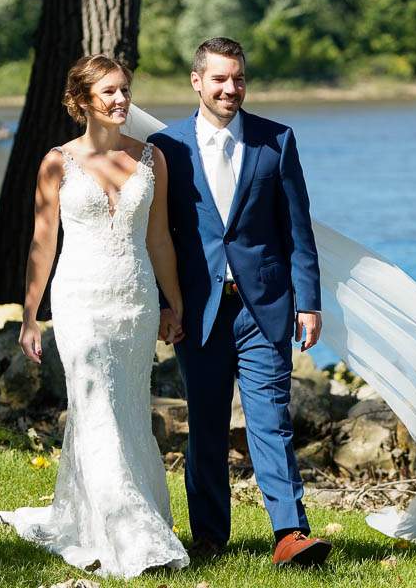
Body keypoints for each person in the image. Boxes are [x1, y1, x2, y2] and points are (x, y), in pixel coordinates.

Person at [0, 55, 190, 579]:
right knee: (95, 407)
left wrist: (174, 303)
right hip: (79, 299)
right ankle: (133, 535)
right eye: (109, 92)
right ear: (82, 102)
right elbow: (43, 241)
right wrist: (30, 315)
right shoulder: (57, 162)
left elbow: (158, 238)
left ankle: (105, 519)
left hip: (135, 301)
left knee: (124, 410)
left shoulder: (152, 159)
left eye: (125, 90)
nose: (122, 100)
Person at [150, 36, 332, 567]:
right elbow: (160, 235)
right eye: (220, 79)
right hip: (200, 309)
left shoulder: (278, 141)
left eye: (238, 78)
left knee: (271, 418)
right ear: (197, 82)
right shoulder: (168, 146)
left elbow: (298, 228)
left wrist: (309, 301)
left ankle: (290, 534)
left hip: (265, 306)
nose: (231, 88)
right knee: (205, 425)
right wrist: (167, 303)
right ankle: (208, 535)